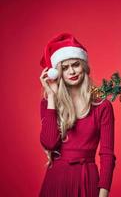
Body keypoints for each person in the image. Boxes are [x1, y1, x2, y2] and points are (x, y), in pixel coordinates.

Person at [39, 33, 115, 197]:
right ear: (56, 73)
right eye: (64, 68)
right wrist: (51, 97)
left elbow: (107, 155)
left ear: (84, 66)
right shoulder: (48, 103)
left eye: (75, 65)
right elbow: (50, 144)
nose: (71, 71)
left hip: (86, 179)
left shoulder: (102, 106)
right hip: (56, 180)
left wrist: (103, 194)